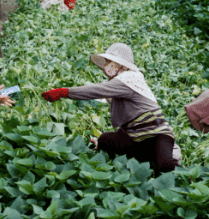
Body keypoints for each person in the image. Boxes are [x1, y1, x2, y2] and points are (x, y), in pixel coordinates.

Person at [41, 43, 179, 175]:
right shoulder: (119, 84)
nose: (106, 66)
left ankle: (182, 171)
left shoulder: (129, 78)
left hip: (157, 136)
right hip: (136, 139)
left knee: (164, 166)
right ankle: (124, 169)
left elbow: (97, 90)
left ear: (121, 65)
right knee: (105, 140)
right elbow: (105, 97)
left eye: (109, 62)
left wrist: (65, 92)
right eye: (106, 62)